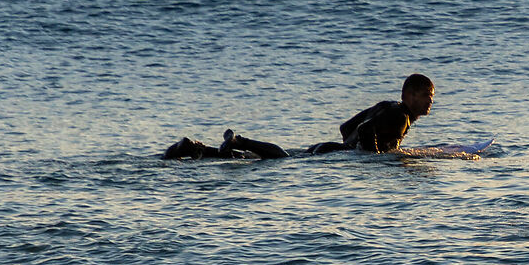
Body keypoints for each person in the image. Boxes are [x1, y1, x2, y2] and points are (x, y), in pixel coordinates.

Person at [161, 74, 436, 160]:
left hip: (331, 148)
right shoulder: (401, 116)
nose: (431, 102)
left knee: (262, 161)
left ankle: (196, 149)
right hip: (334, 154)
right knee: (281, 161)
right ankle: (239, 140)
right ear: (410, 96)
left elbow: (346, 127)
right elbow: (363, 131)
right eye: (427, 96)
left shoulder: (386, 106)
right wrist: (374, 156)